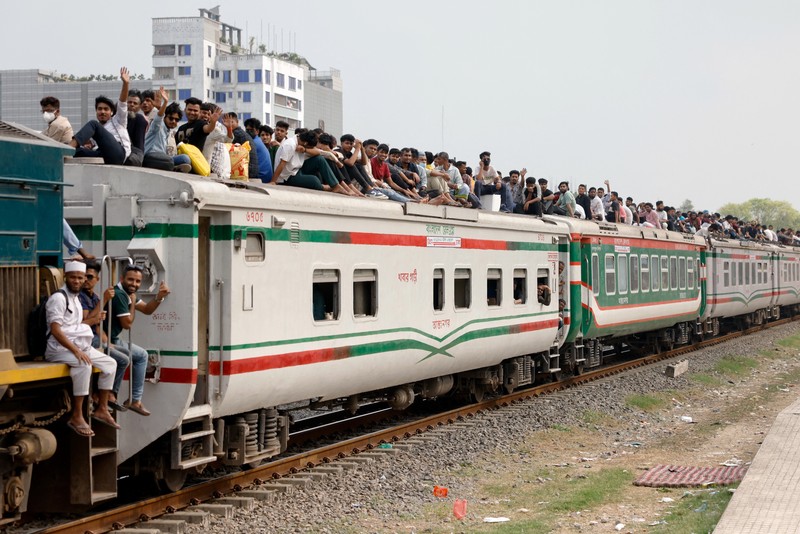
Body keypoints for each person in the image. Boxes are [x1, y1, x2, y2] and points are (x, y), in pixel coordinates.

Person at [46, 261, 119, 436]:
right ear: (65, 277)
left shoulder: (76, 298)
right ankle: (77, 415)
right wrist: (76, 351)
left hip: (78, 345)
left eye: (80, 278)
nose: (77, 281)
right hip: (58, 348)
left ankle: (102, 409)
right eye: (73, 277)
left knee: (110, 364)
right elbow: (56, 330)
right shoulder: (58, 298)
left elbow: (78, 325)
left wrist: (95, 319)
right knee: (84, 365)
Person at [107, 265, 171, 416]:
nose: (134, 284)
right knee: (125, 358)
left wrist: (159, 296)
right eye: (130, 280)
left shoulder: (128, 293)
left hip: (113, 338)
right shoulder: (120, 295)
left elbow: (147, 309)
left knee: (142, 355)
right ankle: (111, 394)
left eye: (137, 281)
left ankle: (135, 400)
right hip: (104, 339)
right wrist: (133, 304)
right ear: (122, 279)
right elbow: (127, 324)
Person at [68, 67, 132, 165]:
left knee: (93, 124)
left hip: (118, 155)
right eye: (100, 109)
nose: (102, 112)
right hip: (103, 155)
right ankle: (65, 151)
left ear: (111, 112)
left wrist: (126, 83)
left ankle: (68, 149)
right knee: (77, 152)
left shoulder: (118, 120)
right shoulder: (97, 131)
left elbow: (122, 103)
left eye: (106, 109)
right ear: (96, 111)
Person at [142, 87, 192, 172]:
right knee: (184, 158)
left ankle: (173, 167)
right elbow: (159, 116)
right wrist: (165, 103)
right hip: (150, 157)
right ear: (165, 117)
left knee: (186, 158)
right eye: (171, 118)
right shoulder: (158, 125)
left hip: (162, 159)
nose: (173, 121)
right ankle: (173, 167)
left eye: (176, 120)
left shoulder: (168, 131)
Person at [224, 112, 259, 179]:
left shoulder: (237, 133)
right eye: (226, 122)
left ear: (237, 122)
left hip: (248, 170)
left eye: (231, 122)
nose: (229, 124)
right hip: (252, 169)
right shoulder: (240, 132)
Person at [244, 118, 274, 182]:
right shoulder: (257, 140)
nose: (249, 132)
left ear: (257, 131)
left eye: (251, 130)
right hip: (265, 176)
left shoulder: (253, 143)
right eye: (247, 130)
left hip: (261, 177)